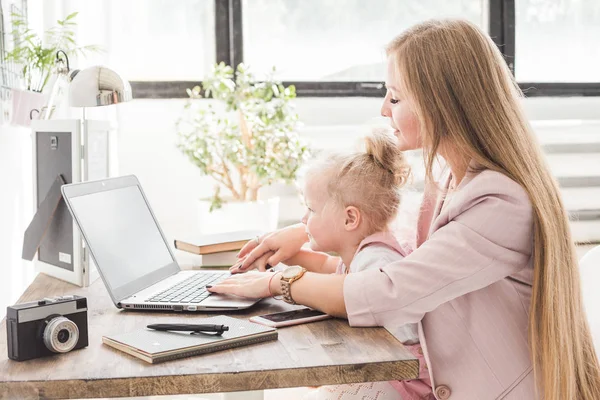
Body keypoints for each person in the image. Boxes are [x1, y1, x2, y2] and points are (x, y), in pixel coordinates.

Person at [208, 19, 600, 400]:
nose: (383, 109)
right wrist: (305, 232)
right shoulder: (451, 177)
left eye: (395, 98)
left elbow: (390, 290)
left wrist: (280, 282)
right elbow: (382, 223)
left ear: (441, 105)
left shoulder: (499, 204)